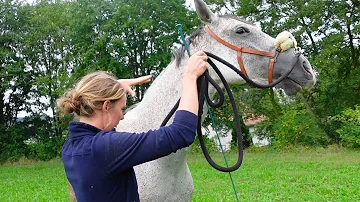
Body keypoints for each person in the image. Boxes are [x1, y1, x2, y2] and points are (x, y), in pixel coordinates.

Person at [57, 51, 208, 202]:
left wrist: (114, 88)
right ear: (106, 106)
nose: (122, 116)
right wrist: (190, 77)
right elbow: (180, 134)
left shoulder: (70, 148)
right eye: (121, 108)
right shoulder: (105, 147)